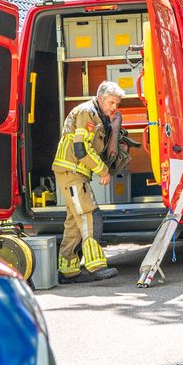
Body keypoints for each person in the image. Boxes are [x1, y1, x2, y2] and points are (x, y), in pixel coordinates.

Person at [51, 81, 126, 283]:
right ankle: (96, 266)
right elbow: (81, 149)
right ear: (101, 97)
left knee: (74, 223)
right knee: (89, 215)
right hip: (72, 171)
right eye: (111, 102)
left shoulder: (97, 114)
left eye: (116, 104)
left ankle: (68, 271)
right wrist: (103, 171)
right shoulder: (88, 112)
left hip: (74, 172)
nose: (114, 107)